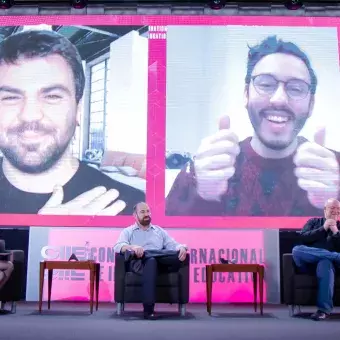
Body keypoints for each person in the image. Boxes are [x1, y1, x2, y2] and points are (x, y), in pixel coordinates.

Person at [166, 35, 340, 217]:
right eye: (266, 84)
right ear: (246, 95)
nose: (279, 99)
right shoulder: (203, 169)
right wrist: (203, 197)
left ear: (311, 104)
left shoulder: (334, 169)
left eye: (296, 89)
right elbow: (162, 239)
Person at [0, 29, 145, 215]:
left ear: (78, 110)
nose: (30, 115)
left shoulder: (135, 209)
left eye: (52, 96)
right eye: (11, 98)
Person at [114, 202, 187, 319]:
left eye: (148, 211)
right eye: (142, 212)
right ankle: (148, 310)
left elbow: (172, 244)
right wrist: (133, 247)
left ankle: (148, 254)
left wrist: (181, 247)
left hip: (160, 263)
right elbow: (118, 246)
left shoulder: (159, 231)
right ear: (135, 215)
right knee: (151, 260)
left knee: (172, 256)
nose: (146, 214)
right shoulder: (128, 231)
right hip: (139, 263)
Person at [292, 198, 340, 321]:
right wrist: (323, 228)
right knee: (297, 250)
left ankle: (323, 310)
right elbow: (304, 238)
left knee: (325, 263)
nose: (335, 211)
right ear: (325, 210)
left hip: (331, 266)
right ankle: (335, 256)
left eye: (338, 209)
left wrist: (335, 232)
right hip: (309, 263)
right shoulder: (313, 222)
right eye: (332, 208)